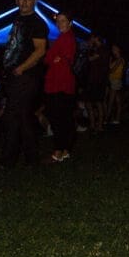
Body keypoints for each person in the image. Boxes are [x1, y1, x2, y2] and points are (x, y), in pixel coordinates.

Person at [0, 0, 48, 168]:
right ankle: (31, 158)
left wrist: (21, 68)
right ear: (16, 0)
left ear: (35, 1)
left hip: (26, 76)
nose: (25, 2)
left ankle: (9, 159)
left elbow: (40, 50)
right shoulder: (18, 20)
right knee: (23, 117)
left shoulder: (37, 22)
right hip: (15, 75)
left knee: (12, 116)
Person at [43, 11, 78, 163]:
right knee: (64, 118)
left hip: (59, 83)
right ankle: (65, 150)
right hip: (62, 83)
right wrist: (53, 58)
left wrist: (55, 58)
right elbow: (49, 58)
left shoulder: (66, 38)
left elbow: (61, 59)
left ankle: (58, 152)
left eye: (63, 20)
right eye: (58, 21)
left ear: (70, 23)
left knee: (57, 118)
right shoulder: (64, 37)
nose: (59, 23)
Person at [106, 44, 125, 125]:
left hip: (115, 81)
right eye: (112, 48)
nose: (113, 49)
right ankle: (116, 119)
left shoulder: (120, 59)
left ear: (119, 49)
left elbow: (112, 70)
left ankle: (106, 119)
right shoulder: (115, 59)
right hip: (114, 80)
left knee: (111, 101)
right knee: (117, 101)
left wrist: (105, 70)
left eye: (115, 48)